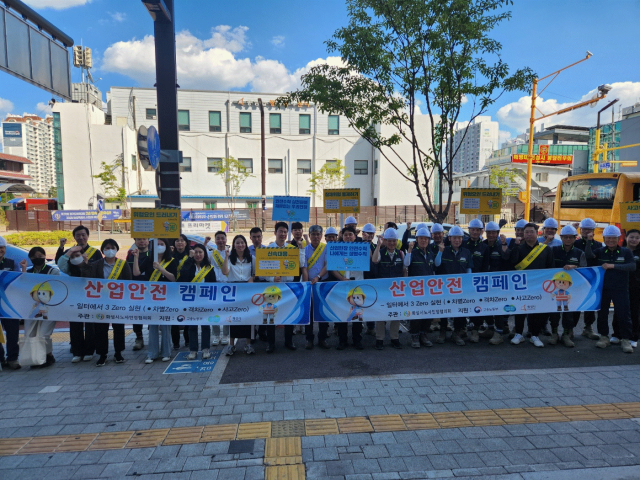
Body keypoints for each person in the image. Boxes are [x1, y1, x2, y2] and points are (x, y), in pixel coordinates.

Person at [80, 239, 132, 366]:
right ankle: (102, 355)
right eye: (107, 248)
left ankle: (118, 353)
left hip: (117, 302)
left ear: (116, 249)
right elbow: (87, 279)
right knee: (101, 329)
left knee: (118, 328)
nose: (110, 250)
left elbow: (128, 282)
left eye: (112, 247)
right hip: (101, 302)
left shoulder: (123, 264)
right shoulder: (97, 264)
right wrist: (85, 264)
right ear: (103, 250)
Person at [55, 225, 102, 363]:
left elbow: (99, 271)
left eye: (83, 235)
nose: (81, 237)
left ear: (87, 236)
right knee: (75, 322)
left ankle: (89, 350)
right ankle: (77, 351)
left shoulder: (95, 252)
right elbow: (61, 265)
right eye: (78, 235)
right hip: (75, 293)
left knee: (90, 322)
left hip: (91, 293)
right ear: (74, 237)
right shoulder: (70, 252)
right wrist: (69, 252)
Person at [585, 225, 635, 353]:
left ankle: (625, 339)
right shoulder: (600, 251)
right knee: (602, 314)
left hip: (621, 289)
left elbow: (632, 266)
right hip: (603, 289)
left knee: (624, 314)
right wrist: (589, 241)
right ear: (604, 238)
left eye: (613, 238)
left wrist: (612, 265)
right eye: (608, 238)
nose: (611, 240)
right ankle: (604, 337)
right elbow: (589, 255)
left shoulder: (626, 252)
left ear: (618, 238)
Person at [507, 223, 554, 348]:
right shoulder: (519, 248)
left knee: (536, 311)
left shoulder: (546, 249)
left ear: (537, 232)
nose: (528, 234)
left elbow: (550, 268)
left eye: (531, 232)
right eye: (526, 232)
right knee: (520, 310)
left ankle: (535, 335)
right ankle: (518, 334)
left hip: (538, 287)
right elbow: (512, 264)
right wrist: (516, 246)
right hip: (521, 286)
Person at [264, 222, 308, 352]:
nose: (283, 234)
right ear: (275, 233)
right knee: (271, 315)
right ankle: (271, 343)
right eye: (280, 231)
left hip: (288, 286)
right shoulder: (268, 249)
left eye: (285, 232)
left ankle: (289, 341)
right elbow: (263, 270)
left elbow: (301, 264)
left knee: (289, 313)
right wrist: (272, 278)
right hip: (273, 287)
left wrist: (300, 249)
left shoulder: (291, 248)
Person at [20, 247, 60, 368]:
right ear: (31, 258)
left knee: (44, 334)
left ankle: (47, 356)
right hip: (31, 309)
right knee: (29, 334)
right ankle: (37, 357)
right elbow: (21, 286)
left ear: (44, 256)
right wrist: (23, 269)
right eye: (35, 257)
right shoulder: (27, 271)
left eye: (41, 256)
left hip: (50, 309)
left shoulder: (52, 271)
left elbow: (58, 287)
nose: (38, 259)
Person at [549, 225, 586, 348]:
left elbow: (585, 270)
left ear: (575, 238)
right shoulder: (553, 250)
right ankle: (554, 334)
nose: (568, 239)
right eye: (565, 237)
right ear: (561, 237)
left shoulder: (579, 253)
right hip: (555, 288)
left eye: (571, 237)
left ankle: (566, 335)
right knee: (554, 312)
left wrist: (575, 267)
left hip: (572, 289)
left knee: (568, 313)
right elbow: (547, 267)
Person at [434, 225, 471, 346]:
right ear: (449, 238)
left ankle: (457, 333)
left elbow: (469, 268)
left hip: (460, 288)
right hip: (445, 288)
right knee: (444, 309)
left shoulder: (466, 252)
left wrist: (468, 282)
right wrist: (440, 252)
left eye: (459, 238)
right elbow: (437, 264)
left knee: (459, 311)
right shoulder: (444, 250)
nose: (457, 240)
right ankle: (443, 330)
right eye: (454, 238)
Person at [329, 227, 364, 350]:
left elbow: (370, 261)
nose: (348, 237)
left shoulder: (362, 248)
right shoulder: (337, 249)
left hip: (357, 285)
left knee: (357, 314)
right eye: (346, 235)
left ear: (355, 236)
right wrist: (341, 278)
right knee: (342, 312)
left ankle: (357, 340)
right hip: (342, 285)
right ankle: (342, 340)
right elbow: (332, 267)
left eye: (350, 234)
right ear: (342, 236)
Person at [179, 243, 216, 360]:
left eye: (200, 252)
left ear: (204, 254)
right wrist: (189, 259)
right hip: (191, 301)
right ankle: (193, 350)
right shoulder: (189, 265)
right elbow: (183, 276)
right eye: (196, 252)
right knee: (192, 326)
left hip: (205, 301)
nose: (198, 254)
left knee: (205, 326)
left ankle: (206, 349)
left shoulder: (209, 268)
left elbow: (213, 285)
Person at [143, 238, 176, 364]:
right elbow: (137, 272)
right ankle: (152, 353)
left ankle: (166, 352)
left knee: (166, 325)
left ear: (166, 246)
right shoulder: (149, 260)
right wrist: (135, 258)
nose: (160, 246)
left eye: (162, 244)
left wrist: (161, 269)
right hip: (151, 297)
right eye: (157, 245)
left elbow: (174, 279)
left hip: (166, 297)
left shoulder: (172, 261)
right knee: (153, 326)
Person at [372, 227, 405, 350]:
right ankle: (379, 339)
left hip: (396, 290)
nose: (392, 243)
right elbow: (375, 260)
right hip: (383, 290)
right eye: (389, 241)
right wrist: (378, 246)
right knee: (380, 315)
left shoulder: (401, 253)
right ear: (385, 241)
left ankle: (394, 338)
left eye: (394, 241)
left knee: (395, 314)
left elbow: (404, 271)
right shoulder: (380, 252)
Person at [222, 235, 255, 355]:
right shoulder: (230, 258)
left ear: (245, 244)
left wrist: (252, 278)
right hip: (233, 291)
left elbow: (255, 273)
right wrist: (226, 256)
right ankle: (231, 345)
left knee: (248, 317)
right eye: (237, 243)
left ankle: (248, 344)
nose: (240, 245)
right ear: (234, 245)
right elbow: (225, 272)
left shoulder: (252, 258)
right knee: (233, 317)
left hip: (247, 290)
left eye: (242, 243)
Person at [482, 221, 511, 344]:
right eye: (489, 232)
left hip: (498, 283)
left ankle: (499, 333)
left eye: (494, 232)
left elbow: (506, 259)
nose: (491, 235)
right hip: (484, 282)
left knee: (498, 307)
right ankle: (490, 328)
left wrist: (504, 245)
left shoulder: (502, 245)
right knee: (487, 306)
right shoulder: (482, 245)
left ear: (498, 233)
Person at [405, 227, 435, 348]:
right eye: (421, 238)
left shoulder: (431, 253)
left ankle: (424, 334)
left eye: (426, 238)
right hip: (415, 290)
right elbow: (406, 264)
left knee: (428, 313)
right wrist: (409, 251)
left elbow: (435, 268)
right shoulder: (413, 252)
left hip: (429, 289)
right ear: (416, 239)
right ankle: (415, 336)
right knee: (416, 313)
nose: (423, 240)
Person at [573, 218, 602, 340]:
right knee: (574, 303)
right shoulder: (575, 243)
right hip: (576, 279)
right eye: (584, 229)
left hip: (591, 279)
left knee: (590, 303)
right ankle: (569, 329)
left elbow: (590, 255)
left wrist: (589, 242)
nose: (586, 231)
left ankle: (588, 327)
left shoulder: (598, 245)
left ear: (593, 231)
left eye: (589, 229)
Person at [463, 219, 489, 343]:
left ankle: (475, 330)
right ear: (469, 231)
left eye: (477, 230)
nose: (474, 232)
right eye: (472, 229)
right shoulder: (463, 244)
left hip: (478, 282)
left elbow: (486, 266)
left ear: (481, 231)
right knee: (463, 304)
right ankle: (461, 328)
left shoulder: (484, 247)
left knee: (477, 305)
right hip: (463, 282)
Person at [304, 225, 329, 350]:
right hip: (309, 285)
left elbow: (327, 265)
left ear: (321, 236)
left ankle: (322, 338)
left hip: (322, 283)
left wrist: (318, 277)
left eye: (318, 234)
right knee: (309, 313)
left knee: (323, 313)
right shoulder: (305, 250)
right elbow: (304, 268)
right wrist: (307, 282)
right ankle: (309, 339)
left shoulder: (325, 248)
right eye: (313, 234)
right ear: (309, 235)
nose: (315, 236)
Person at [126, 238, 153, 351]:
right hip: (136, 290)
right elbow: (128, 270)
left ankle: (153, 337)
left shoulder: (153, 254)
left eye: (144, 239)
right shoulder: (131, 254)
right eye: (139, 240)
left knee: (152, 313)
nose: (142, 241)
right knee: (137, 314)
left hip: (151, 290)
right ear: (135, 241)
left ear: (148, 241)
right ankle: (139, 338)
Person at [0, 236, 22, 370]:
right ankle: (1, 359)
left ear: (5, 249)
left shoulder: (12, 263)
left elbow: (19, 281)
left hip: (8, 304)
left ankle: (12, 358)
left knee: (12, 331)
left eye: (1, 248)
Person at [207, 231, 231, 346]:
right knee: (214, 311)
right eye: (218, 239)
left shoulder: (231, 253)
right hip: (214, 285)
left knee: (226, 311)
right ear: (215, 240)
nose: (220, 241)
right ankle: (216, 334)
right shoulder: (210, 253)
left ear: (226, 240)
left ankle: (226, 334)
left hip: (227, 286)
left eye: (223, 238)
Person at [171, 234, 191, 348]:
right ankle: (175, 342)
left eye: (182, 240)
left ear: (186, 243)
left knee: (187, 315)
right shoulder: (170, 256)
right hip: (173, 290)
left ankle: (188, 339)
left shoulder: (190, 255)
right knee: (174, 316)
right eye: (177, 241)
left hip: (187, 288)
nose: (180, 243)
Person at [623, 229, 640, 347]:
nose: (634, 240)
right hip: (622, 286)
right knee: (620, 311)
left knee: (635, 312)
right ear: (626, 238)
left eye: (637, 238)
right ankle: (617, 334)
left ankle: (634, 337)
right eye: (631, 237)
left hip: (636, 287)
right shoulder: (621, 250)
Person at [361, 223, 378, 336]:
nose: (369, 235)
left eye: (371, 233)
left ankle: (371, 326)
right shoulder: (357, 245)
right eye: (367, 233)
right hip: (360, 278)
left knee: (371, 303)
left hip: (372, 278)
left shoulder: (376, 246)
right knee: (359, 303)